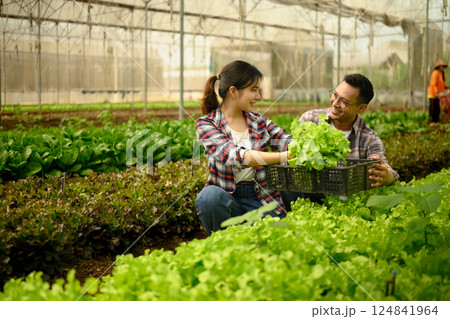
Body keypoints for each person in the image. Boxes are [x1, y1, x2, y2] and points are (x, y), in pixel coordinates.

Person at [195, 60, 292, 236]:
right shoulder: (206, 124)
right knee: (208, 197)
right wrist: (284, 156)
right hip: (228, 199)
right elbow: (237, 157)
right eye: (253, 90)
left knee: (275, 240)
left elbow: (284, 139)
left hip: (261, 197)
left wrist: (307, 146)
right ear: (233, 91)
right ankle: (222, 245)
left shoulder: (258, 121)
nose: (258, 96)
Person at [282, 73, 399, 211]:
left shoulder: (369, 139)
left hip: (345, 205)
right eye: (335, 95)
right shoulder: (310, 120)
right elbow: (291, 158)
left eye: (344, 101)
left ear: (361, 108)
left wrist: (387, 178)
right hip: (309, 196)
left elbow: (388, 170)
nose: (335, 103)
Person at [428, 59, 449, 124]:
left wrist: (446, 87)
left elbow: (441, 83)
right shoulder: (435, 73)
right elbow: (433, 84)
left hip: (438, 94)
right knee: (433, 108)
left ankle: (436, 121)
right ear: (438, 67)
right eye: (441, 66)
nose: (442, 67)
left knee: (437, 109)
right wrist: (436, 92)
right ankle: (432, 122)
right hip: (433, 94)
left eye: (443, 66)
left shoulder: (442, 74)